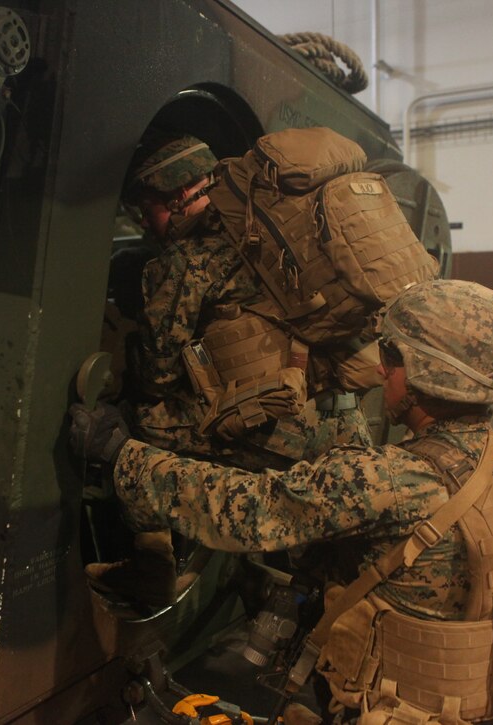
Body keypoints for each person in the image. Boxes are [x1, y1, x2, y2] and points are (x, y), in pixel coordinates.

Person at [69, 279, 493, 723]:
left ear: (422, 374)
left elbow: (246, 510)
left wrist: (122, 456)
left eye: (393, 358)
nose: (381, 370)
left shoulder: (392, 479)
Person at [85, 133, 375, 608]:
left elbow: (156, 375)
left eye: (148, 207)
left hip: (275, 430)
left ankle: (151, 564)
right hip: (339, 422)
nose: (145, 221)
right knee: (342, 569)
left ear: (179, 197)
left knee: (138, 418)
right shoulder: (270, 233)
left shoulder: (185, 261)